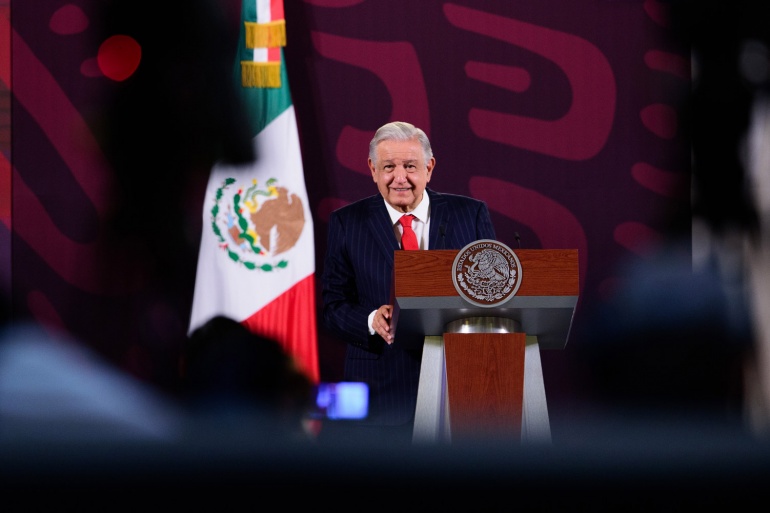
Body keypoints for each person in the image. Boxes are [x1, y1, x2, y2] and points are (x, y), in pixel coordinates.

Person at [321, 121, 497, 442]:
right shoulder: (347, 223)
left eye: (410, 166)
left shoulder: (469, 215)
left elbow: (495, 293)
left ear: (429, 168)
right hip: (382, 394)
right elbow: (331, 308)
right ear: (373, 170)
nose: (399, 177)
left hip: (461, 387)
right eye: (389, 167)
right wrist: (371, 320)